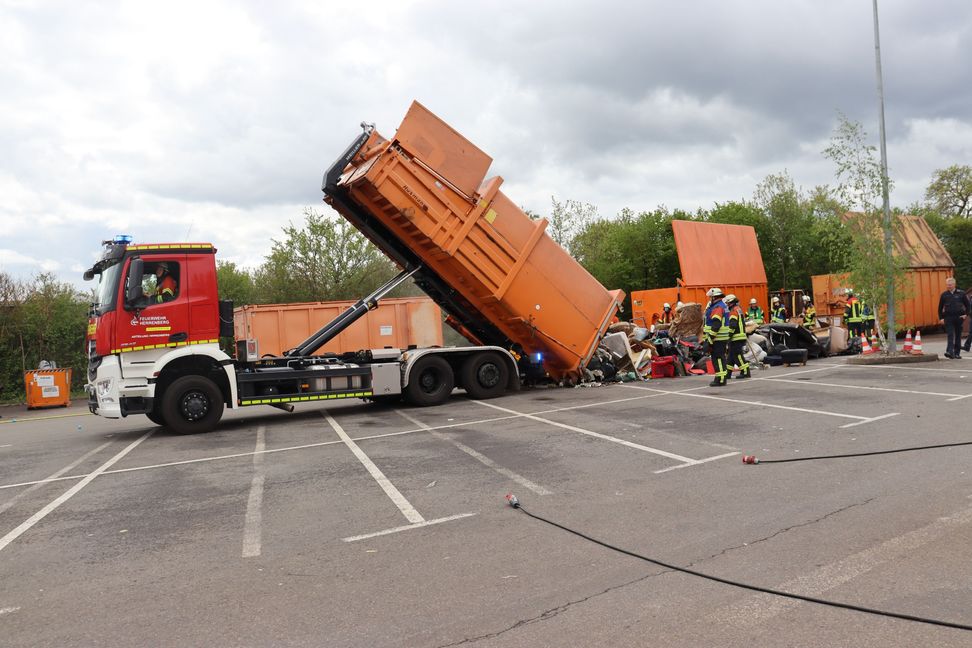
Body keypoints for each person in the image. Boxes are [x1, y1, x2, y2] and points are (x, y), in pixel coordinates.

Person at [704, 287, 730, 387]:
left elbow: (716, 325)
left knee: (718, 359)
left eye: (710, 297)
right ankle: (719, 377)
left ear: (714, 297)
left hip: (717, 338)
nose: (710, 299)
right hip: (720, 338)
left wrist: (710, 339)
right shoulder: (722, 306)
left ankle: (721, 379)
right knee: (719, 358)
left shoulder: (717, 307)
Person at [938, 277, 969, 359]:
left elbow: (968, 305)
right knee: (950, 335)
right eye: (947, 285)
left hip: (959, 317)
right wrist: (941, 318)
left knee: (958, 335)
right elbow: (940, 308)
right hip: (948, 318)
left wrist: (966, 314)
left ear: (954, 284)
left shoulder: (961, 293)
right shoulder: (944, 295)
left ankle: (957, 353)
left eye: (950, 285)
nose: (949, 286)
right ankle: (949, 352)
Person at [724, 294, 751, 380]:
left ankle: (745, 372)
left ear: (731, 302)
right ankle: (728, 373)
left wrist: (728, 336)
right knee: (731, 357)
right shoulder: (738, 309)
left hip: (736, 337)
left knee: (738, 355)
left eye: (728, 303)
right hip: (739, 336)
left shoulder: (733, 311)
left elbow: (732, 325)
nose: (727, 305)